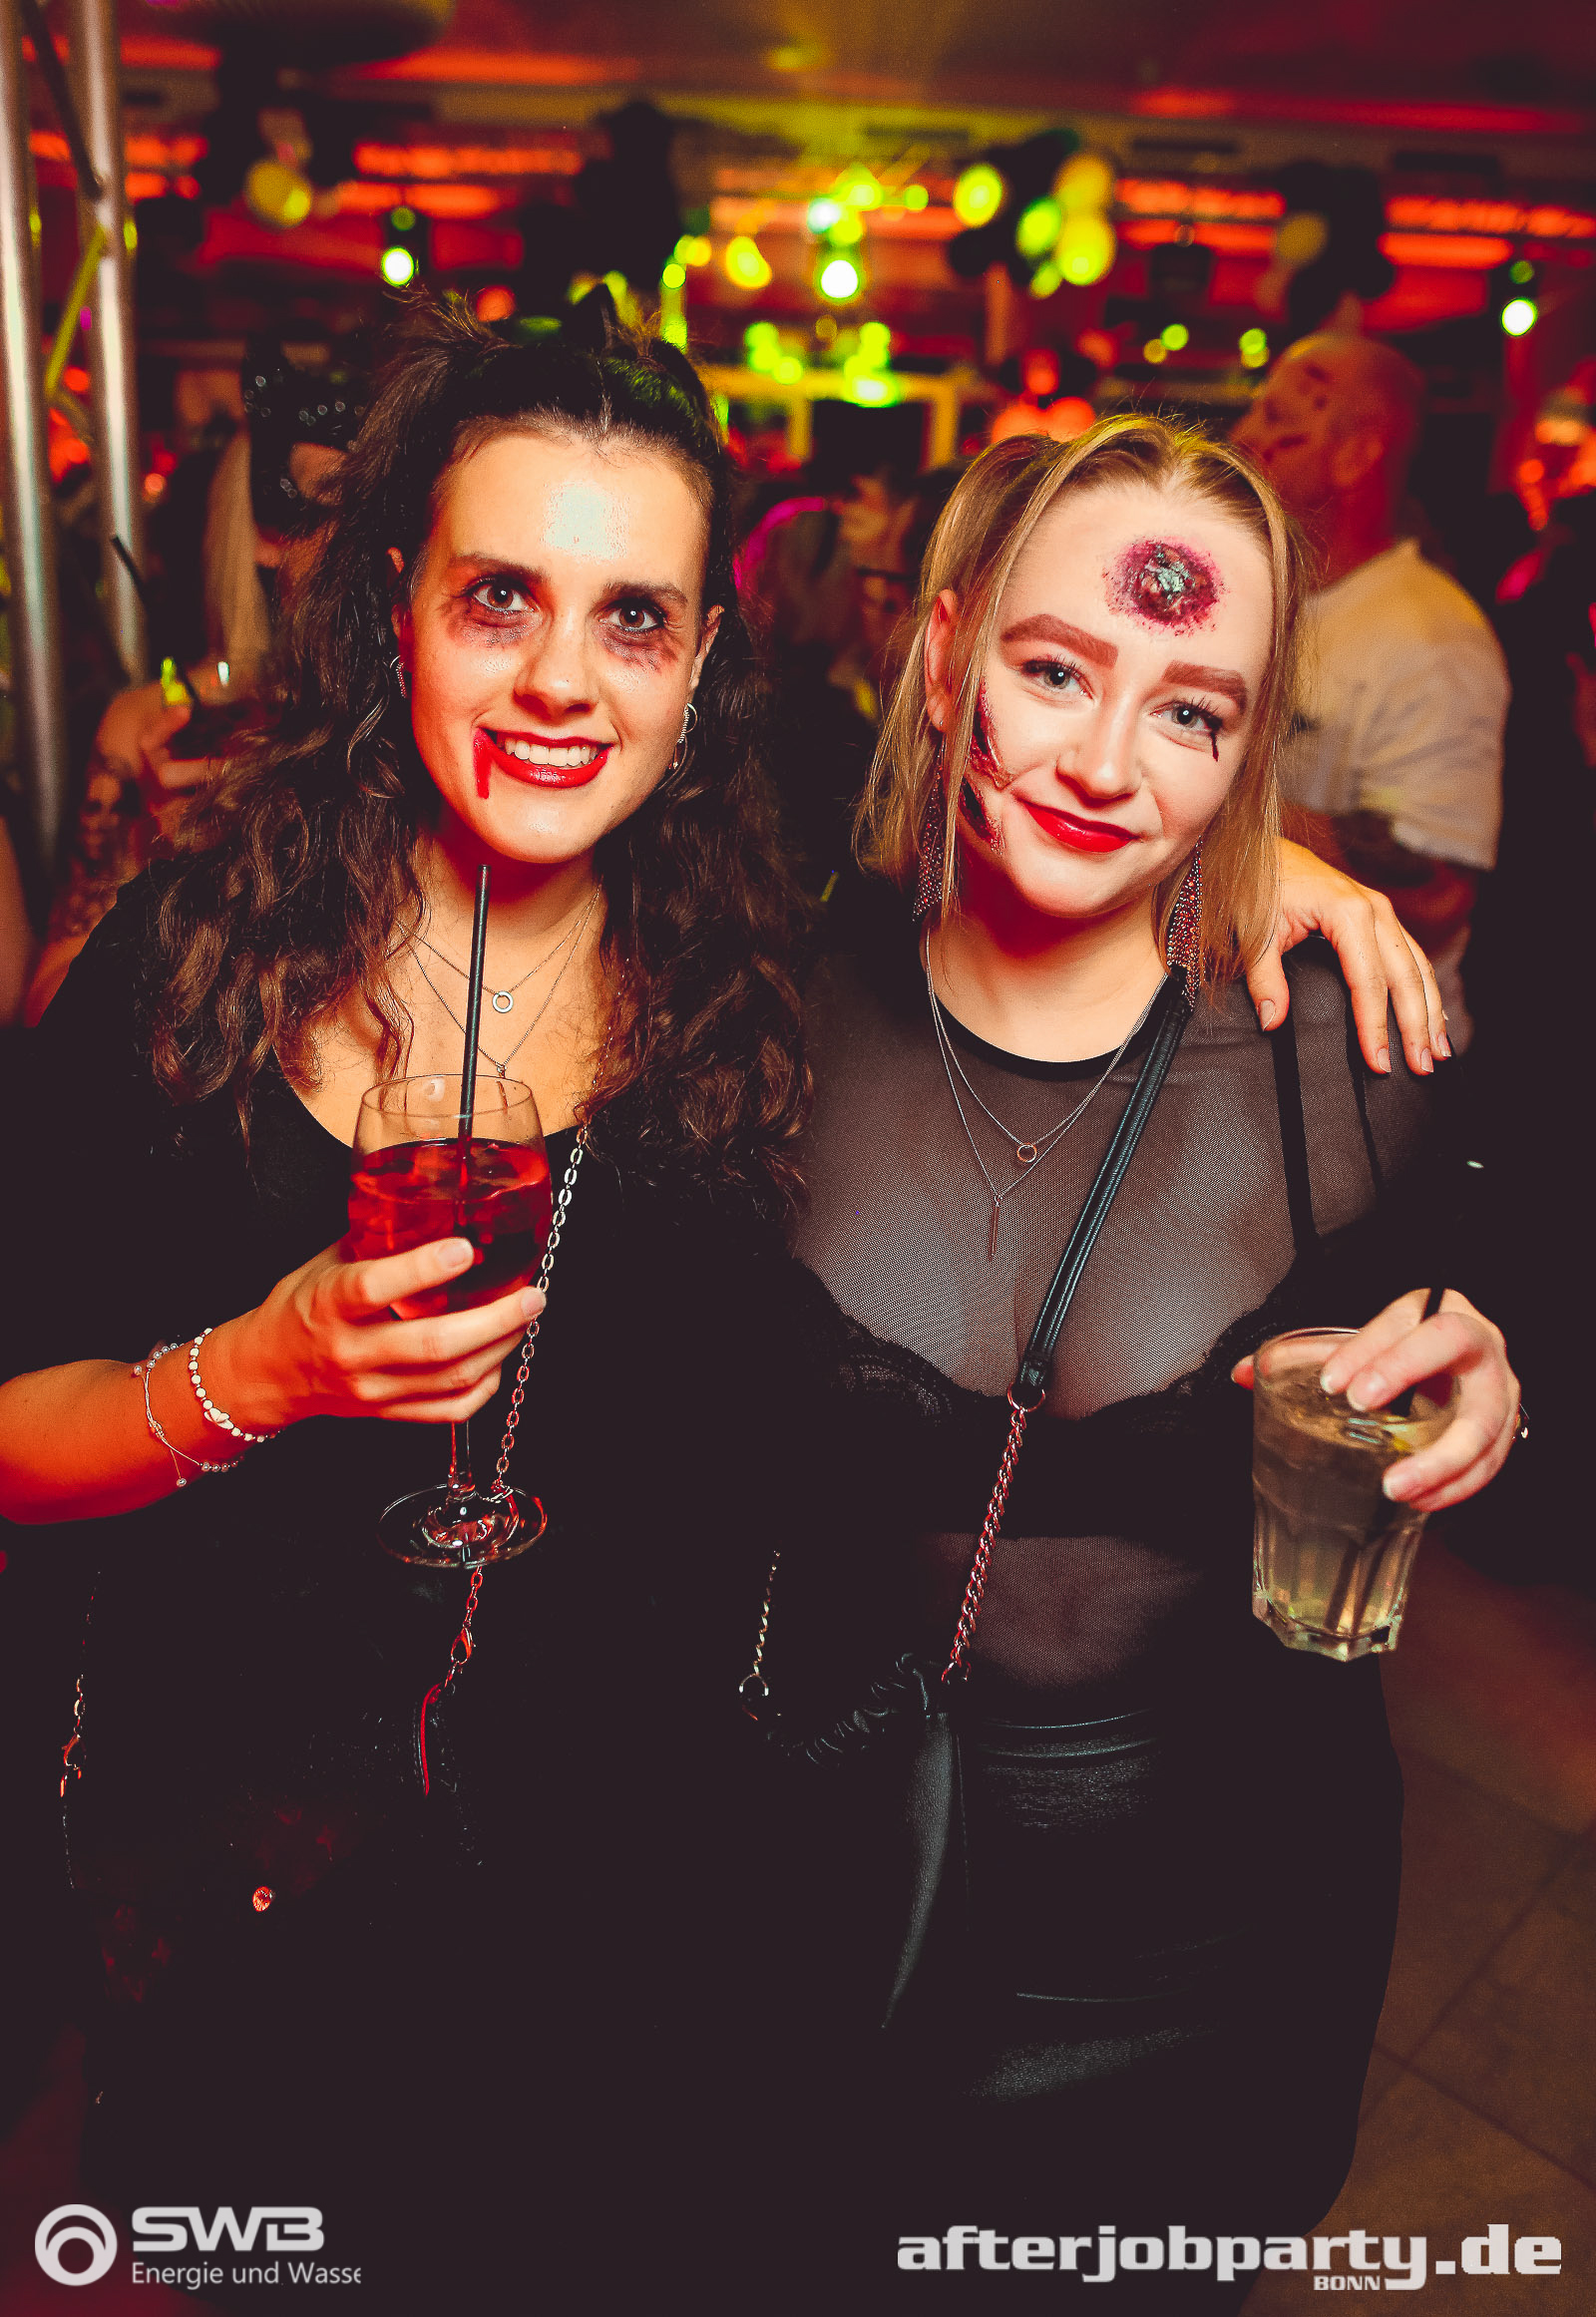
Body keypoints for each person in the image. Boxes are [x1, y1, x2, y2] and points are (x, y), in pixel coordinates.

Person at [0, 297, 1468, 2308]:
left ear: (699, 663)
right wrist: (256, 1368)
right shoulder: (194, 968)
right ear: (395, 605)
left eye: (632, 618)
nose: (558, 679)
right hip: (258, 1889)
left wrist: (1262, 872)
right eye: (497, 595)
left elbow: (1055, 852)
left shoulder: (747, 968)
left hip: (640, 1940)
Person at [755, 418, 1519, 2308]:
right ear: (948, 652)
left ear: (1251, 751)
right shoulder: (757, 1011)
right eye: (1053, 670)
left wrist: (1496, 1377)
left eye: (1192, 712)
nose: (1109, 763)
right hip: (837, 1897)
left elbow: (1463, 1325)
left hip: (1225, 1948)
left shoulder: (1343, 1060)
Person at [1233, 332, 1508, 1046]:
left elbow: (1440, 893)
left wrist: (1227, 820)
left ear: (1357, 455)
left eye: (1278, 416)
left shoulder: (1431, 637)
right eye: (1256, 409)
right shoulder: (1250, 592)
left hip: (1368, 1059)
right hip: (1255, 1037)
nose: (1245, 435)